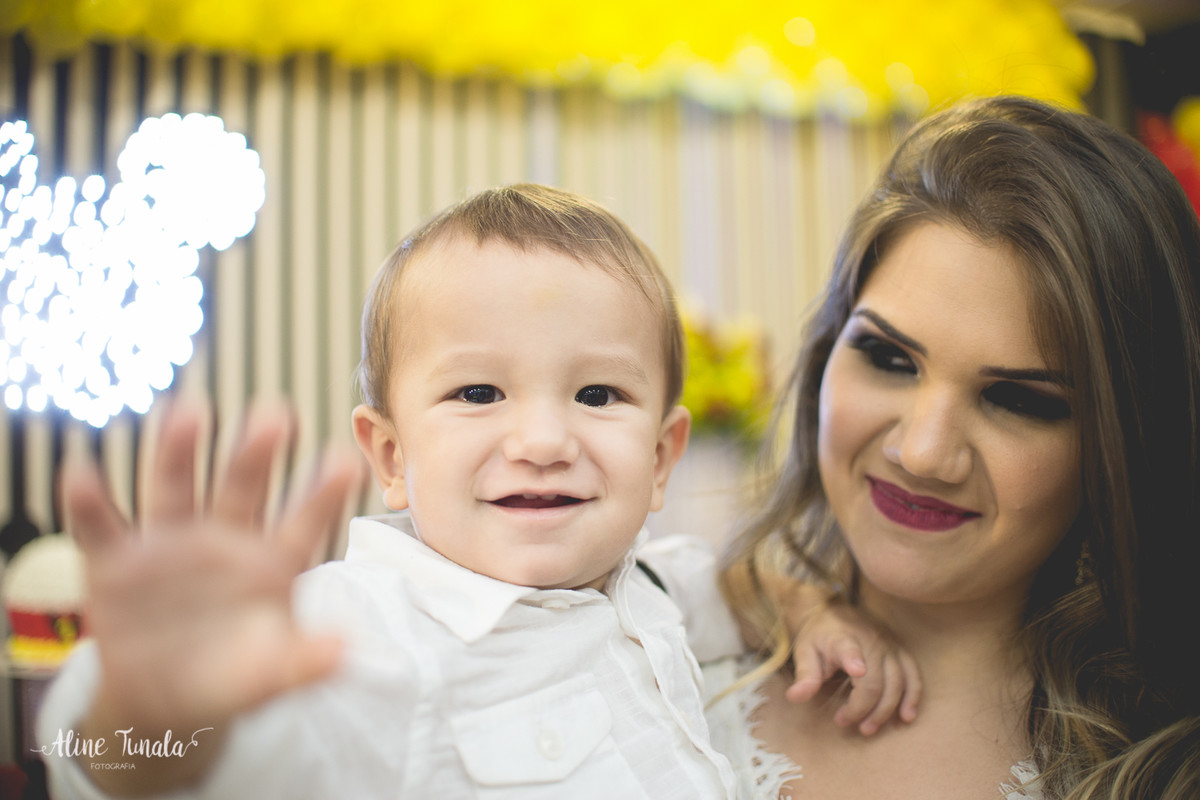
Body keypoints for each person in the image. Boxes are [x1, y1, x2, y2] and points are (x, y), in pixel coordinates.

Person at [36, 184, 911, 799]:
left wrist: (811, 612)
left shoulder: (649, 583)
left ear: (660, 457)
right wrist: (141, 716)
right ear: (389, 454)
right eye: (478, 393)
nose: (541, 442)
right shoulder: (359, 630)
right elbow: (99, 758)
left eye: (597, 395)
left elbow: (732, 583)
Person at [698, 95, 1200, 799]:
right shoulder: (655, 657)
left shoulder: (1162, 768)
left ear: (1118, 446)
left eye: (1018, 399)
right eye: (889, 357)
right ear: (824, 355)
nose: (924, 453)